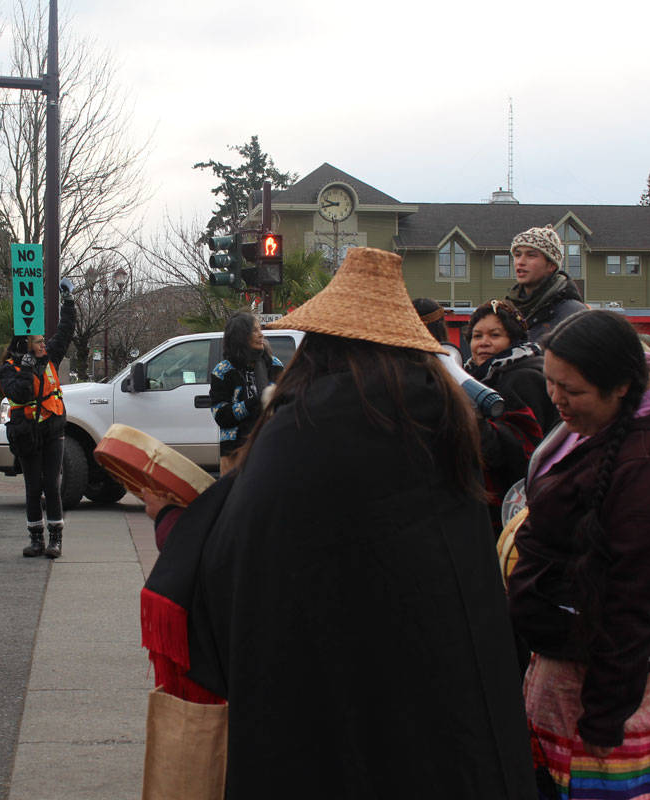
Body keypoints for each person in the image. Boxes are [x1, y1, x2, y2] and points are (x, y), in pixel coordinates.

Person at [140, 248, 535, 797]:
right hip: (440, 715)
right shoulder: (444, 420)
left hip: (325, 712)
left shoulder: (302, 426)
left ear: (320, 343)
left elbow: (238, 564)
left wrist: (173, 521)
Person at [508, 310, 650, 798]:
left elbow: (634, 601)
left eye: (573, 391)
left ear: (622, 387)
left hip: (615, 679)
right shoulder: (618, 424)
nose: (556, 399)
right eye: (551, 383)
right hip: (586, 654)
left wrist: (604, 719)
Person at [0, 279, 76, 558]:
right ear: (27, 345)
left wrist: (69, 302)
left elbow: (65, 333)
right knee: (33, 487)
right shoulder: (9, 368)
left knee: (51, 486)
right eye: (39, 341)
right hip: (26, 433)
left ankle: (56, 539)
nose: (45, 344)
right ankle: (36, 539)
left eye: (44, 340)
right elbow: (18, 393)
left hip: (52, 430)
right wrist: (26, 369)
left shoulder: (50, 357)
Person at [463, 299, 556, 533]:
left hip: (518, 509)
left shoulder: (523, 378)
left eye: (494, 335)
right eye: (477, 336)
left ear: (513, 339)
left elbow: (523, 450)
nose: (483, 343)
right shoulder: (479, 379)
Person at [209, 311, 283, 474]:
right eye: (255, 330)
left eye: (260, 329)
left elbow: (285, 405)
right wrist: (255, 402)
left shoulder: (274, 365)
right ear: (241, 337)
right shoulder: (223, 372)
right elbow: (221, 415)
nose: (261, 334)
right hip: (235, 454)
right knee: (236, 498)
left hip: (269, 447)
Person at [505, 225, 585, 342]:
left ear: (551, 265)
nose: (520, 262)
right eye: (517, 255)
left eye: (531, 255)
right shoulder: (507, 309)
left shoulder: (572, 314)